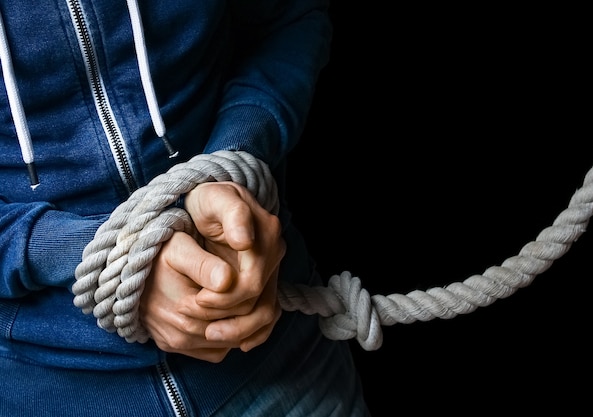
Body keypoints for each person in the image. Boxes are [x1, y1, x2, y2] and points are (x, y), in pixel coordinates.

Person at [0, 1, 370, 416]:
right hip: (54, 393)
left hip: (284, 359)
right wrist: (101, 257)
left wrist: (233, 163)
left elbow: (290, 17)